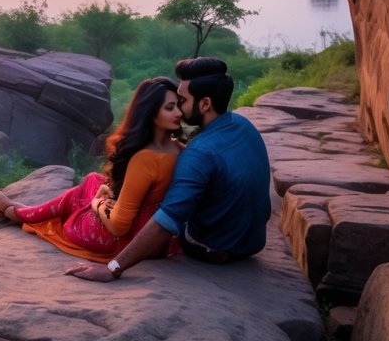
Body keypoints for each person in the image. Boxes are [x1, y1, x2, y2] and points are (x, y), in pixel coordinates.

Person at [64, 56, 271, 282]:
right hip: (252, 242)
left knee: (141, 206)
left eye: (182, 100)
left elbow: (168, 221)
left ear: (205, 104)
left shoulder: (199, 153)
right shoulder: (243, 125)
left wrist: (112, 268)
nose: (179, 110)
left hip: (211, 247)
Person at [0, 76, 184, 262]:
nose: (179, 113)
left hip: (122, 240)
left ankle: (18, 211)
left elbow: (118, 226)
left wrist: (97, 202)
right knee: (93, 179)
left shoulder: (146, 158)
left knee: (78, 196)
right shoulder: (178, 148)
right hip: (153, 235)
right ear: (150, 113)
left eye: (178, 106)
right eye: (170, 107)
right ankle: (17, 210)